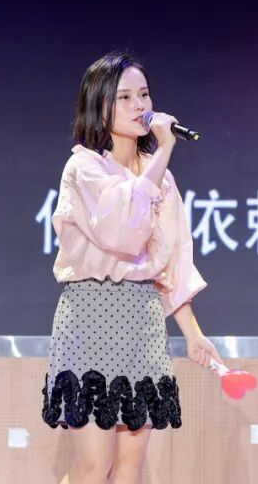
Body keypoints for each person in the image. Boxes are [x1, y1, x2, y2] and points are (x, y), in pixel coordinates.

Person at [41, 51, 221, 484]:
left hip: (142, 322)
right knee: (92, 466)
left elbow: (172, 262)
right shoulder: (84, 167)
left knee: (128, 469)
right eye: (124, 97)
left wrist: (194, 335)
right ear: (99, 104)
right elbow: (122, 230)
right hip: (90, 317)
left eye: (144, 94)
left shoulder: (161, 178)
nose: (140, 106)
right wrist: (165, 151)